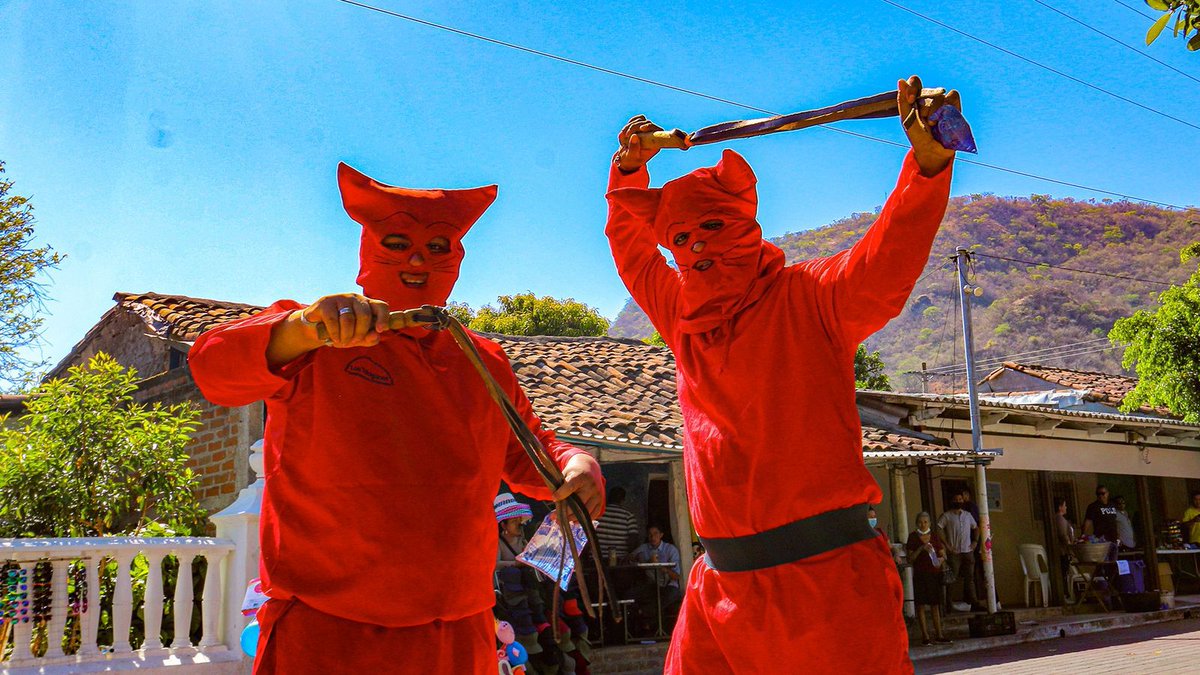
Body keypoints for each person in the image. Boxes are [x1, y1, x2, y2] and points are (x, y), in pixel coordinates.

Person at [189, 163, 604, 675]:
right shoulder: (317, 336)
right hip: (328, 631)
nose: (417, 258)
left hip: (458, 631)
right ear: (369, 248)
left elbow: (530, 455)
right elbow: (213, 367)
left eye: (437, 246)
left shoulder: (483, 360)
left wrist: (577, 463)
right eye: (399, 242)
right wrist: (304, 328)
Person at [605, 75, 957, 673]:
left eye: (711, 227)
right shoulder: (683, 316)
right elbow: (630, 247)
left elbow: (886, 261)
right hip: (718, 589)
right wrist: (629, 172)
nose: (696, 247)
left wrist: (925, 168)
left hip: (825, 586)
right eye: (681, 238)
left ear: (743, 222)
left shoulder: (809, 297)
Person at [906, 512, 950, 646]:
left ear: (929, 523)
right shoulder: (913, 537)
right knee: (920, 605)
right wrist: (921, 548)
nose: (923, 524)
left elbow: (943, 554)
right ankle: (925, 636)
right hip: (920, 574)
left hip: (934, 574)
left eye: (925, 522)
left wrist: (941, 559)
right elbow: (910, 558)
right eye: (920, 522)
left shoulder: (935, 537)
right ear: (916, 523)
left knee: (935, 605)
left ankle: (939, 634)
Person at [628, 525, 683, 632]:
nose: (653, 537)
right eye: (650, 535)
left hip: (668, 586)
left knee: (669, 595)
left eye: (655, 534)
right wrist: (642, 560)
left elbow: (676, 576)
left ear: (661, 535)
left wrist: (660, 566)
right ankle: (646, 623)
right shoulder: (644, 548)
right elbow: (629, 558)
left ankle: (643, 614)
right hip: (651, 585)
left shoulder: (670, 549)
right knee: (631, 594)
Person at [937, 493, 979, 611]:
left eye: (960, 499)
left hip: (967, 551)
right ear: (952, 501)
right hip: (954, 552)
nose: (958, 501)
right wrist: (947, 545)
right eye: (956, 499)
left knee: (970, 578)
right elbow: (939, 528)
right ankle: (949, 604)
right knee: (952, 578)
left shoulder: (968, 515)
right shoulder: (947, 516)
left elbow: (976, 527)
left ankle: (974, 603)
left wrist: (975, 541)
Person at [595, 486, 640, 561]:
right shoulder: (628, 516)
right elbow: (633, 541)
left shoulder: (597, 514)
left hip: (597, 560)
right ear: (623, 500)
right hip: (619, 561)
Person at [1054, 497, 1076, 579]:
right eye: (1064, 505)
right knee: (1065, 573)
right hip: (1063, 552)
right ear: (1060, 507)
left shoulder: (1059, 519)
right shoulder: (1060, 519)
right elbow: (1063, 535)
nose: (1066, 507)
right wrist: (1070, 547)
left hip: (1064, 551)